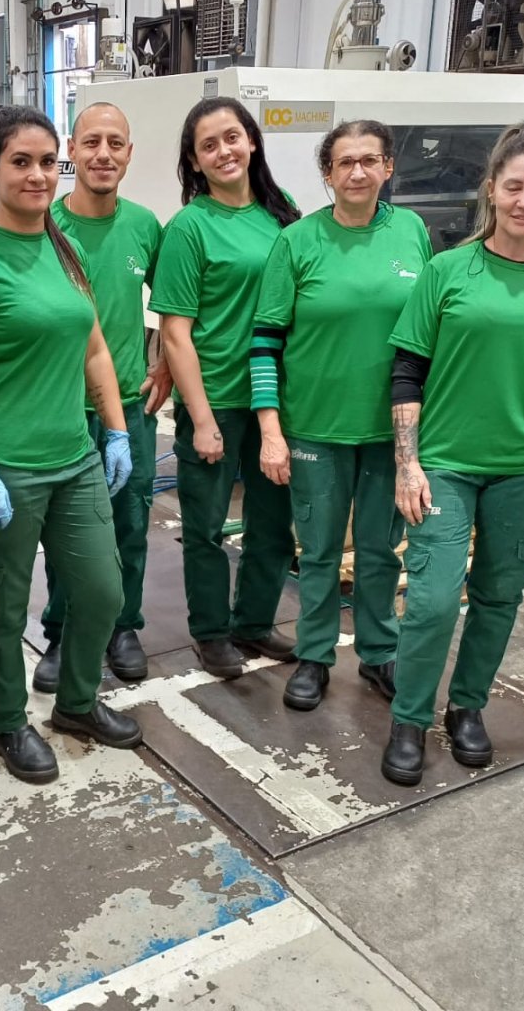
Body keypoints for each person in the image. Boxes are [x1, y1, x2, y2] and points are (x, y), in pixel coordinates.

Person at [0, 106, 143, 784]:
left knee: (103, 591)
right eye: (20, 161)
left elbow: (94, 349)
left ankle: (77, 702)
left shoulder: (63, 246)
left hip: (75, 458)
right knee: (3, 608)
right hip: (9, 465)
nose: (37, 175)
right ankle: (7, 722)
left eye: (48, 162)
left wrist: (115, 429)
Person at [382, 124, 524, 787]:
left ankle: (467, 706)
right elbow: (407, 371)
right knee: (435, 598)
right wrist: (407, 463)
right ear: (491, 189)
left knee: (500, 595)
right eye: (514, 186)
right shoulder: (447, 271)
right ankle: (410, 718)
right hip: (445, 462)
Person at [251, 120, 431, 711]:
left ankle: (380, 653)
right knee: (320, 551)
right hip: (315, 429)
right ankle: (315, 655)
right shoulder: (297, 241)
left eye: (369, 160)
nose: (357, 171)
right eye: (344, 162)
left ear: (388, 167)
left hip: (389, 432)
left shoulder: (411, 231)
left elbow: (429, 332)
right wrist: (271, 430)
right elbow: (265, 341)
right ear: (327, 174)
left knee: (380, 550)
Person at [150, 97, 301, 680]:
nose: (224, 151)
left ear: (252, 141)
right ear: (194, 161)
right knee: (207, 527)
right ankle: (211, 632)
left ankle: (254, 622)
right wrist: (203, 418)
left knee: (272, 521)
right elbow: (176, 333)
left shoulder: (283, 214)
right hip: (214, 398)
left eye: (232, 137)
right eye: (208, 145)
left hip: (277, 402)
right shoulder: (189, 228)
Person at [34, 102, 167, 693]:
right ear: (72, 151)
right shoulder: (44, 227)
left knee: (130, 520)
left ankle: (123, 626)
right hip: (62, 407)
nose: (103, 154)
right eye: (91, 142)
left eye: (115, 143)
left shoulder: (145, 226)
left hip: (129, 408)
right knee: (67, 531)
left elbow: (177, 303)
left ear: (130, 154)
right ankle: (62, 630)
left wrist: (165, 365)